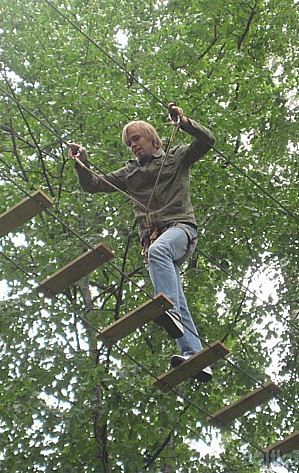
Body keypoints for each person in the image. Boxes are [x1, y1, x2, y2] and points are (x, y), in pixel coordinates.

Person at [68, 104, 216, 382]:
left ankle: (168, 311)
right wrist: (82, 162)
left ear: (152, 138)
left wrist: (184, 122)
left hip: (181, 229)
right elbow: (93, 184)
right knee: (176, 297)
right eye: (129, 143)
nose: (133, 146)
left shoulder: (176, 157)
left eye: (136, 139)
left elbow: (207, 141)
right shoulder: (129, 174)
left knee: (163, 269)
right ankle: (195, 356)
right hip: (154, 242)